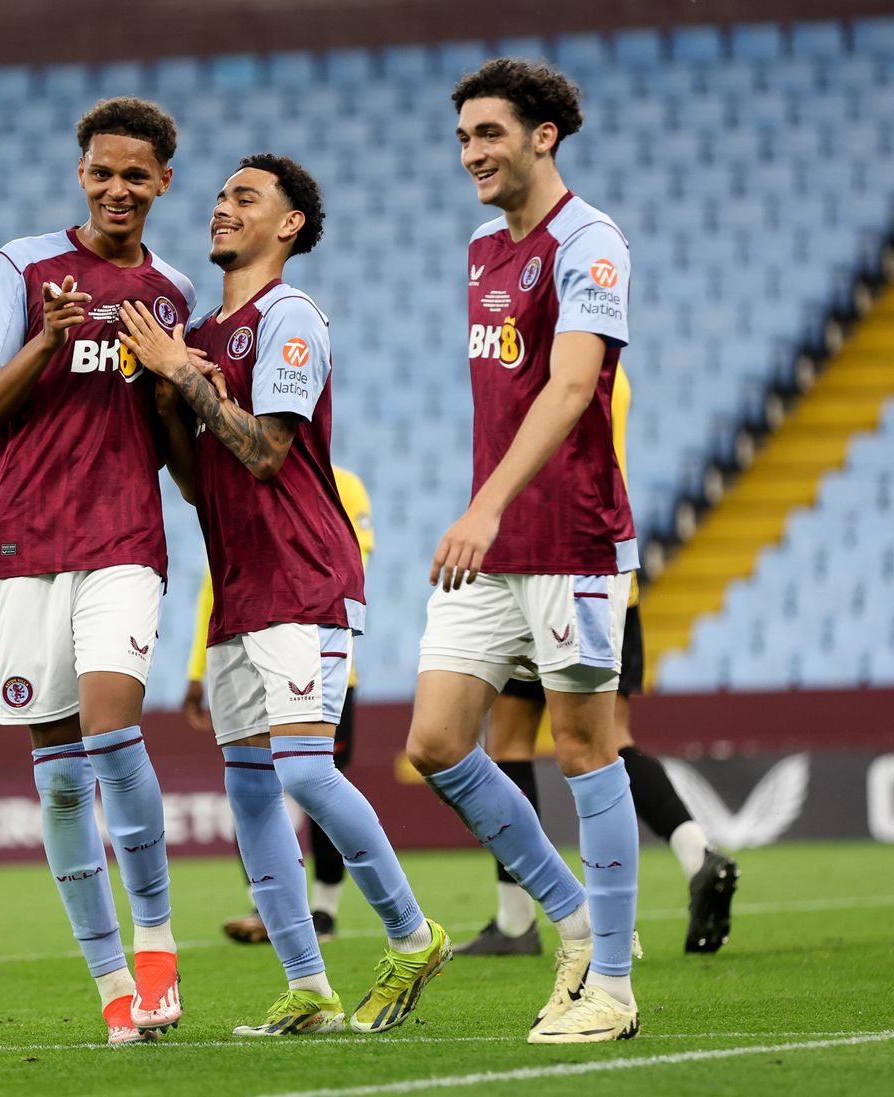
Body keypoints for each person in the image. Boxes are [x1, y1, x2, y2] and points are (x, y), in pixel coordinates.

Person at [121, 154, 449, 1038]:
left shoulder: (289, 316)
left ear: (290, 224)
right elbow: (197, 481)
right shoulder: (198, 328)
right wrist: (165, 396)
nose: (222, 208)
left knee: (305, 770)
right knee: (253, 793)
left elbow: (265, 452)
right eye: (222, 195)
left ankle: (413, 935)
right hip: (238, 586)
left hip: (305, 575)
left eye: (245, 197)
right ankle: (308, 985)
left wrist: (180, 375)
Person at [403, 59, 642, 1044]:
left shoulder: (590, 243)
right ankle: (575, 915)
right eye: (464, 138)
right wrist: (488, 511)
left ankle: (615, 987)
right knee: (435, 740)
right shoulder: (479, 248)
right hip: (498, 543)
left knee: (585, 744)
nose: (473, 155)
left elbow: (574, 386)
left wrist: (486, 504)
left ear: (545, 135)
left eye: (490, 134)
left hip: (570, 537)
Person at [0, 97, 197, 1045]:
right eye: (102, 172)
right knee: (58, 781)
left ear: (163, 183)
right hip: (25, 545)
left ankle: (156, 942)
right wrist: (49, 339)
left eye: (136, 175)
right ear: (81, 173)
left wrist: (175, 377)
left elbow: (176, 452)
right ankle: (110, 987)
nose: (117, 189)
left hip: (124, 540)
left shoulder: (172, 294)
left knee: (111, 733)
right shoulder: (23, 268)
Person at [457, 364, 739, 958]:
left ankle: (515, 921)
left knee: (508, 739)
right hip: (612, 580)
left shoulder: (554, 366)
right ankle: (696, 852)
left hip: (544, 568)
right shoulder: (612, 367)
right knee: (610, 739)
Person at [186, 464, 372, 946]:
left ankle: (325, 910)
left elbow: (353, 559)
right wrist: (195, 671)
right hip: (243, 653)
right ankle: (267, 903)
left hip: (312, 652)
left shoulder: (342, 484)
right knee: (249, 783)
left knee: (317, 785)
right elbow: (214, 584)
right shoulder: (231, 483)